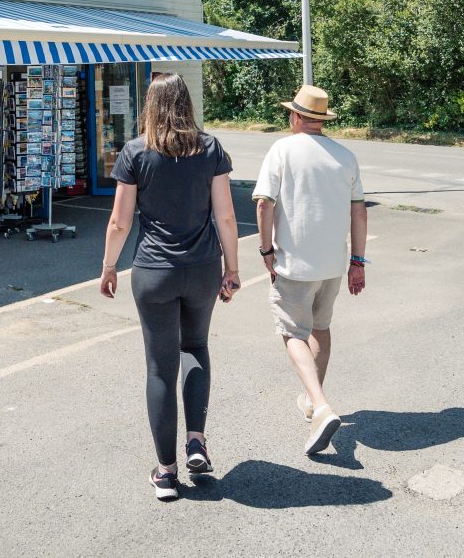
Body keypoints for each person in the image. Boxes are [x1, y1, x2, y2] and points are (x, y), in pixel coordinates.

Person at [99, 73, 242, 501]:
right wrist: (232, 268)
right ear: (186, 103)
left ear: (151, 105)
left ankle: (166, 473)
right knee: (195, 347)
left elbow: (120, 222)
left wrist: (109, 266)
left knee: (160, 367)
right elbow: (226, 216)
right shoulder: (210, 148)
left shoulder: (135, 152)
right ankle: (196, 441)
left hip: (154, 272)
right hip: (202, 269)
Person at [253, 84, 368, 456]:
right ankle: (309, 400)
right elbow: (358, 211)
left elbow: (264, 204)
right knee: (321, 328)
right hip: (333, 265)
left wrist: (266, 249)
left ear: (296, 116)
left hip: (294, 264)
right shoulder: (345, 156)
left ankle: (320, 407)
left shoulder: (282, 149)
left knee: (292, 332)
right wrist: (357, 262)